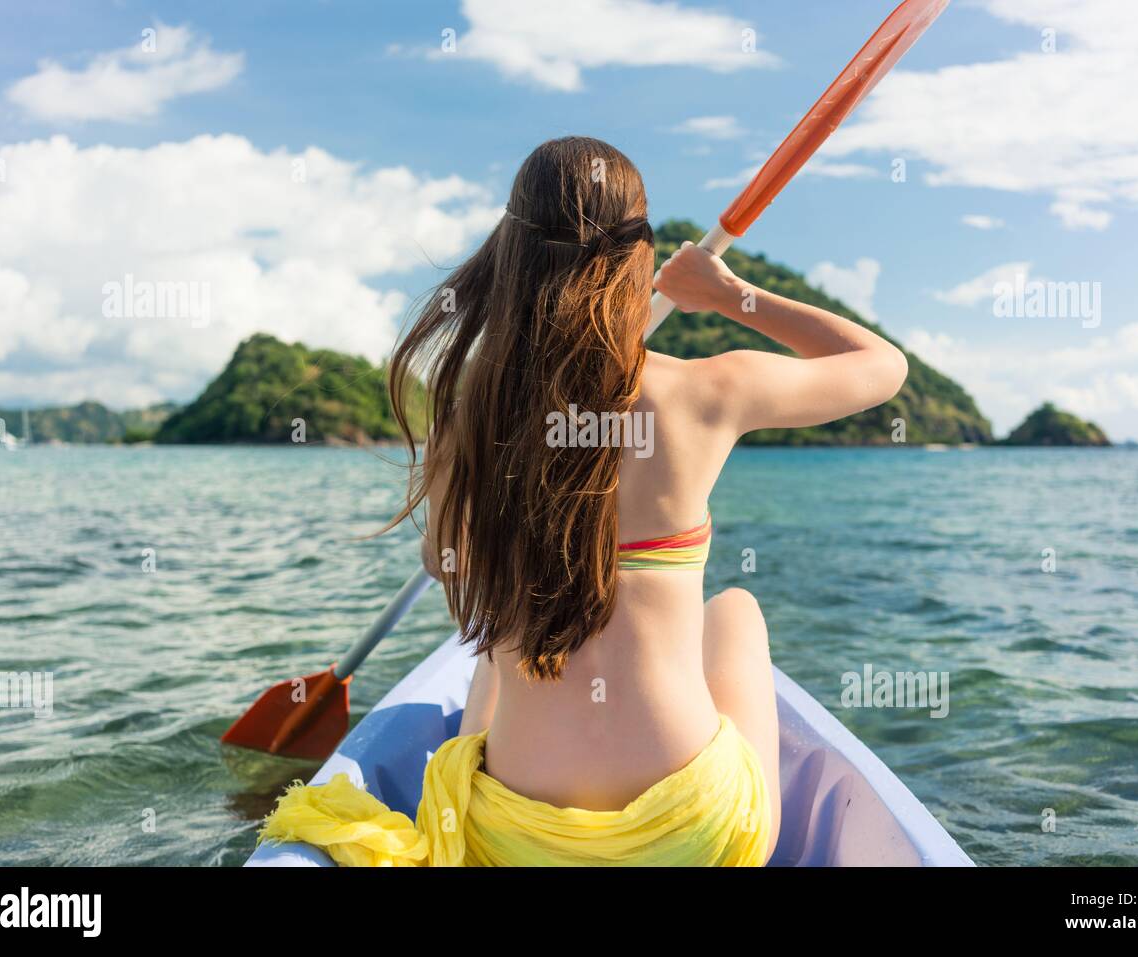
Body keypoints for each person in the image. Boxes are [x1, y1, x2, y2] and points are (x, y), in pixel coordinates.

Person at [259, 136, 907, 866]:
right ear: (637, 257)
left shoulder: (471, 411)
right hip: (695, 835)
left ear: (511, 254)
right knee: (733, 612)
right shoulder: (705, 392)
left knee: (489, 660)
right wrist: (730, 295)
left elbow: (445, 565)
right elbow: (882, 367)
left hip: (515, 839)